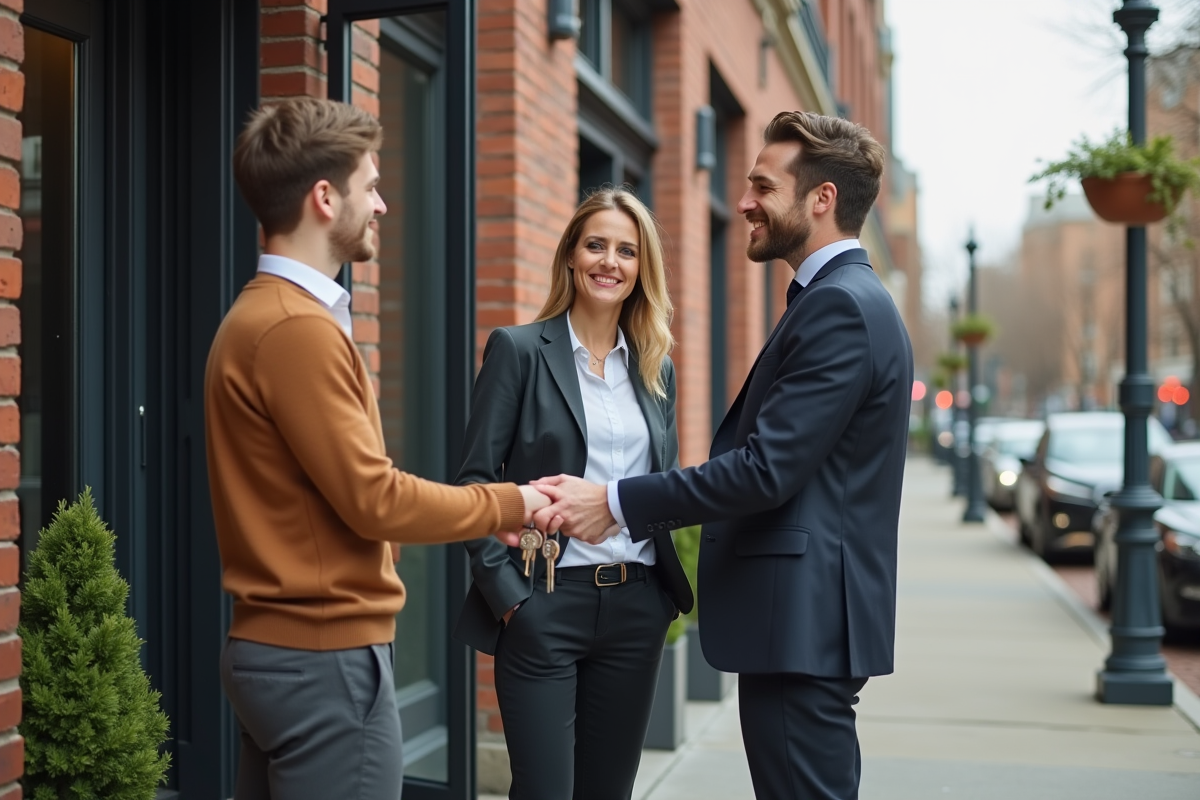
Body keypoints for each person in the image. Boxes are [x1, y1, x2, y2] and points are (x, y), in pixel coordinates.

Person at [533, 112, 913, 800]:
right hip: (802, 624)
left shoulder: (840, 308)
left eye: (763, 186)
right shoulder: (839, 301)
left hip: (804, 626)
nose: (743, 203)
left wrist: (614, 502)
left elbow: (767, 469)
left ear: (821, 200)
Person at [205, 97, 549, 800]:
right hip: (322, 660)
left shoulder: (264, 318)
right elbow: (375, 499)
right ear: (325, 198)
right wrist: (512, 501)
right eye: (370, 185)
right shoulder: (291, 329)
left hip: (285, 653)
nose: (383, 204)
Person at [453, 186, 694, 800]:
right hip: (544, 606)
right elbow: (474, 486)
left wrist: (661, 602)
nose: (609, 262)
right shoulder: (519, 351)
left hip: (636, 608)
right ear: (570, 256)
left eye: (627, 251)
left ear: (642, 269)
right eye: (596, 245)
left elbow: (661, 485)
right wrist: (511, 602)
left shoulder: (654, 365)